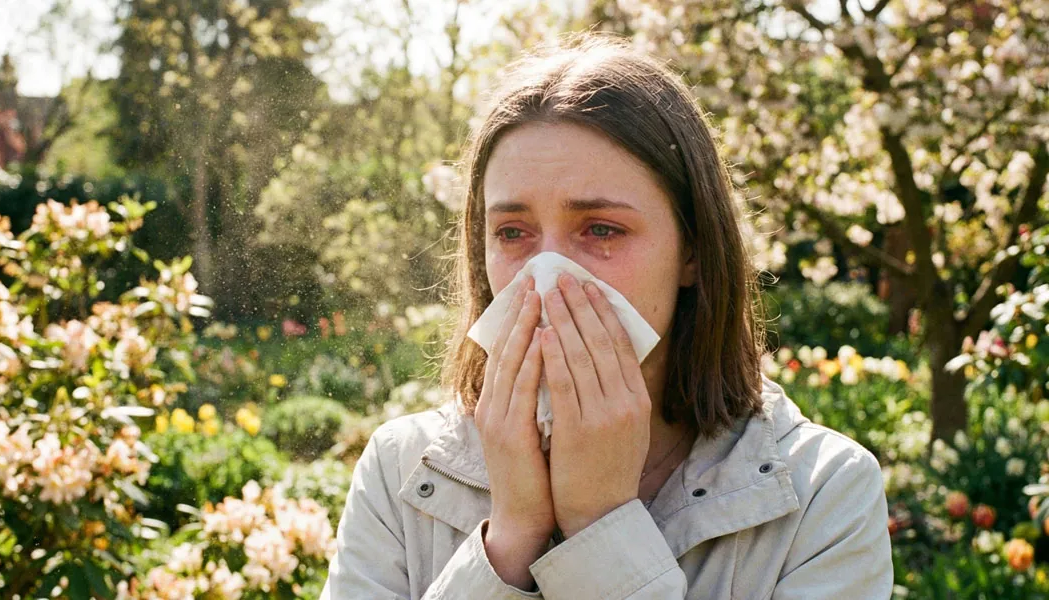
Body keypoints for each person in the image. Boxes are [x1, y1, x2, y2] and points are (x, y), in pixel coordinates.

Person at [322, 32, 893, 599]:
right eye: (513, 233)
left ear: (692, 250)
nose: (547, 276)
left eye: (601, 229)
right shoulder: (400, 470)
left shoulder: (825, 493)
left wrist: (602, 526)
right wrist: (511, 537)